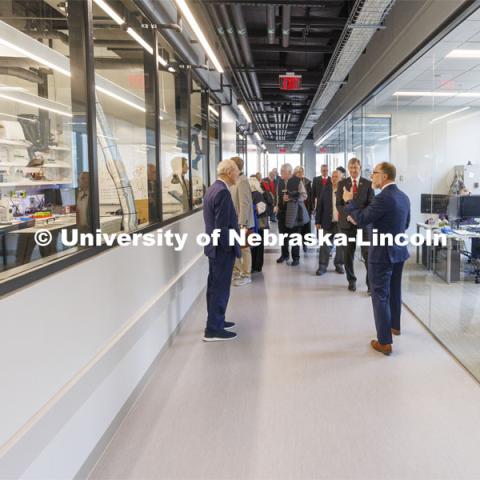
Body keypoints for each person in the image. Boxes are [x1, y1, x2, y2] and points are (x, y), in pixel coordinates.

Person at [343, 162, 410, 355]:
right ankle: (395, 326)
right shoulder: (403, 197)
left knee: (380, 295)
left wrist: (349, 201)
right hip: (398, 251)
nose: (372, 176)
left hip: (382, 254)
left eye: (375, 173)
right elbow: (404, 224)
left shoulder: (383, 198)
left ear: (385, 176)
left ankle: (384, 342)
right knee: (394, 291)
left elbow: (363, 219)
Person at [203, 159, 241, 342]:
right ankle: (213, 329)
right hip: (222, 250)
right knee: (220, 288)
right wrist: (229, 248)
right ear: (229, 172)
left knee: (213, 286)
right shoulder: (223, 193)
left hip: (212, 247)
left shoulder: (212, 189)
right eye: (237, 172)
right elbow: (222, 227)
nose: (238, 176)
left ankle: (216, 321)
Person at [336, 157, 374, 293]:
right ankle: (351, 280)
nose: (353, 170)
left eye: (356, 168)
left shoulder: (368, 184)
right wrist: (349, 215)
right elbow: (339, 205)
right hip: (347, 223)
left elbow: (371, 205)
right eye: (351, 168)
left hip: (364, 223)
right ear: (348, 168)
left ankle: (370, 284)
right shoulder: (342, 184)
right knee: (348, 253)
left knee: (367, 253)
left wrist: (359, 217)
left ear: (360, 168)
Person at [275, 163, 307, 266]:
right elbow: (278, 197)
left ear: (288, 172)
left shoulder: (297, 181)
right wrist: (277, 205)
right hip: (282, 213)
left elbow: (304, 196)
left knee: (294, 236)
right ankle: (284, 255)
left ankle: (296, 258)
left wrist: (291, 198)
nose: (280, 173)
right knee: (283, 235)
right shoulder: (279, 182)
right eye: (281, 171)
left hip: (294, 213)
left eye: (282, 172)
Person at [230, 156, 254, 286]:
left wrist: (242, 222)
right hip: (235, 221)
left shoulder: (242, 181)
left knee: (245, 248)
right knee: (236, 247)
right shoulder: (236, 180)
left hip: (242, 222)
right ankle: (237, 271)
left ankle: (246, 274)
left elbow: (244, 204)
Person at [315, 169, 345, 276]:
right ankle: (322, 266)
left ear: (342, 178)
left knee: (341, 245)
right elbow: (319, 206)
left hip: (341, 222)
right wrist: (317, 221)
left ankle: (339, 264)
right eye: (333, 176)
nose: (334, 178)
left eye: (336, 176)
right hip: (327, 221)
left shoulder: (345, 190)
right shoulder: (325, 189)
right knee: (324, 244)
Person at [249, 175, 269, 273]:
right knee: (259, 246)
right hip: (262, 224)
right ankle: (257, 266)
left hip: (258, 223)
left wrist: (252, 209)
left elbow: (261, 209)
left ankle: (255, 266)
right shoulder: (259, 194)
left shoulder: (254, 194)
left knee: (256, 246)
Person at [294, 166, 313, 252]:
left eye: (302, 172)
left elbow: (311, 195)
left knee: (306, 227)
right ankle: (296, 246)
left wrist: (312, 208)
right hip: (297, 209)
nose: (300, 173)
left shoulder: (307, 182)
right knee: (297, 228)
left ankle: (305, 244)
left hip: (306, 208)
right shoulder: (293, 182)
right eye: (299, 172)